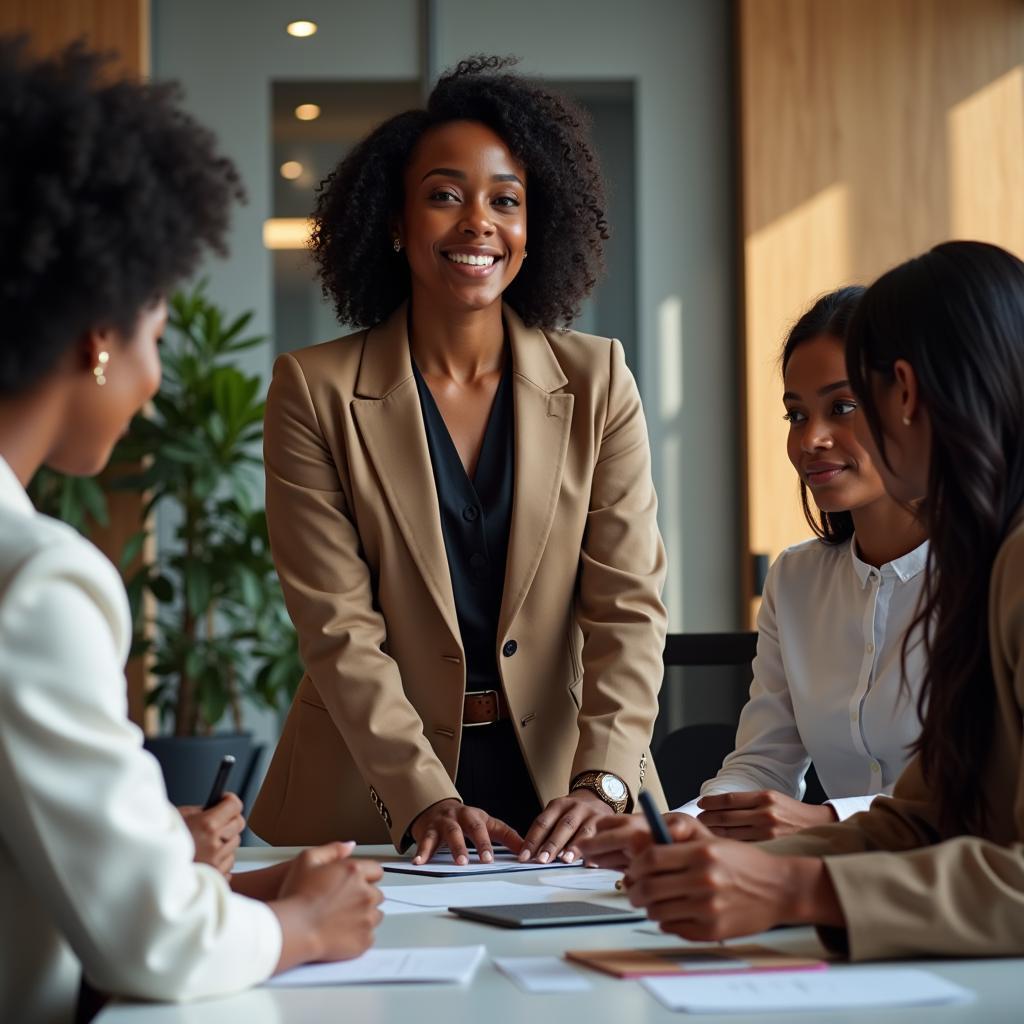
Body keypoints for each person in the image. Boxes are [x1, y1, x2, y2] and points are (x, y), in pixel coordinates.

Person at [0, 38, 382, 1023]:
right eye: (157, 334)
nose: (157, 378)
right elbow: (152, 943)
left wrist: (141, 843)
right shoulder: (35, 580)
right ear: (97, 334)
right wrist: (305, 925)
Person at [249, 56, 668, 866]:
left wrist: (604, 782)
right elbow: (338, 629)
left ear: (531, 227)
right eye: (445, 195)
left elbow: (629, 607)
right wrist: (425, 796)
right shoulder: (314, 390)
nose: (479, 223)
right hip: (372, 794)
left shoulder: (598, 379)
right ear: (397, 222)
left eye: (505, 201)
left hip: (568, 792)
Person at [580, 240, 1024, 960]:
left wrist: (794, 889)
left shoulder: (1004, 563)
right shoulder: (988, 559)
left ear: (903, 391)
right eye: (796, 413)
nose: (817, 439)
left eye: (855, 401)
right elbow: (920, 819)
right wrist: (720, 854)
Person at [677, 287, 929, 840]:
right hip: (823, 887)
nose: (810, 439)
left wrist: (826, 820)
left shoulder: (997, 576)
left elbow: (988, 799)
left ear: (911, 403)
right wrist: (686, 826)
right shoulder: (795, 580)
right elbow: (761, 765)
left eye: (842, 407)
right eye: (796, 414)